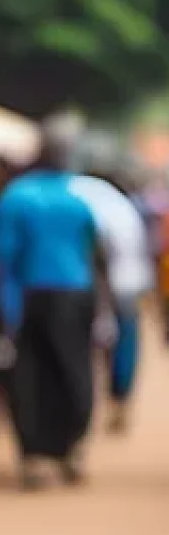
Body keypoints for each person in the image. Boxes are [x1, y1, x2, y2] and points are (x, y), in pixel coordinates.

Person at [0, 130, 104, 489]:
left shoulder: (17, 197)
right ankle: (71, 448)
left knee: (29, 377)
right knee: (75, 371)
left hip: (33, 296)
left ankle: (36, 456)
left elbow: (4, 261)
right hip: (76, 295)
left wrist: (7, 314)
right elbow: (95, 255)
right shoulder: (79, 199)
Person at [69, 172, 154, 432]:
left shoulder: (85, 197)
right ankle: (118, 400)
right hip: (121, 286)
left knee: (88, 351)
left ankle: (95, 407)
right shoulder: (119, 207)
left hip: (98, 288)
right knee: (122, 347)